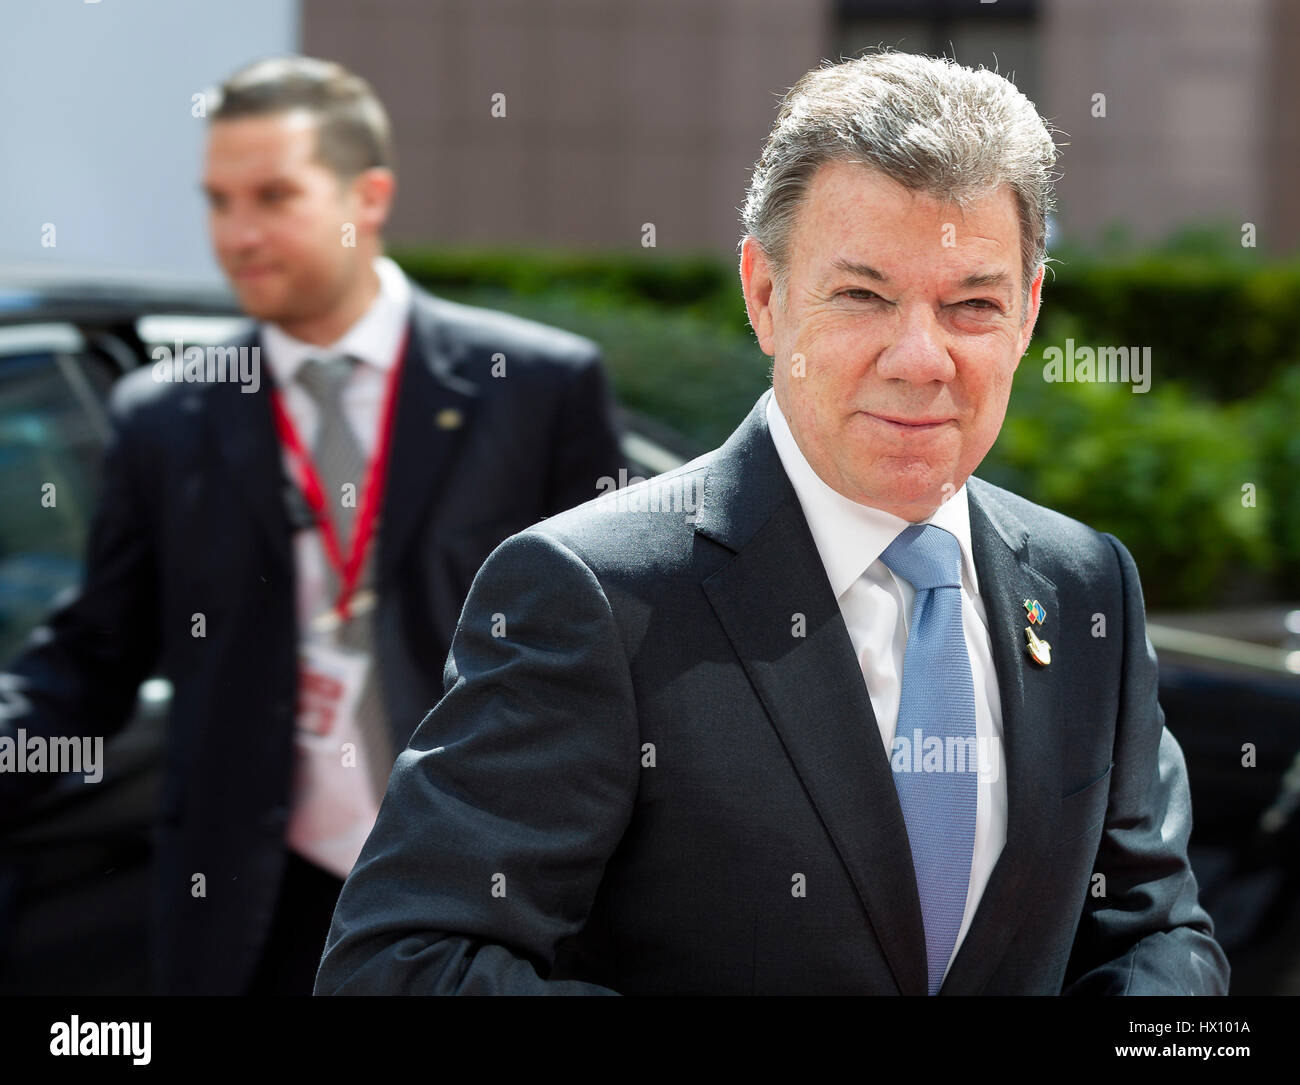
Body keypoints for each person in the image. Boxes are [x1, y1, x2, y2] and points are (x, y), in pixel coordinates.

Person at [314, 51, 1229, 996]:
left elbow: (1155, 931)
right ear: (764, 294)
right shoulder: (594, 594)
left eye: (973, 305)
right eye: (864, 295)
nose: (922, 358)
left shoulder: (1085, 586)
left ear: (1030, 311)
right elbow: (400, 964)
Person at [0, 55, 626, 994]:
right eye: (217, 201)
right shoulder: (165, 415)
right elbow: (90, 659)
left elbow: (622, 653)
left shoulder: (534, 387)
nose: (237, 234)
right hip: (248, 916)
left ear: (367, 196)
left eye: (273, 197)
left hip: (479, 902)